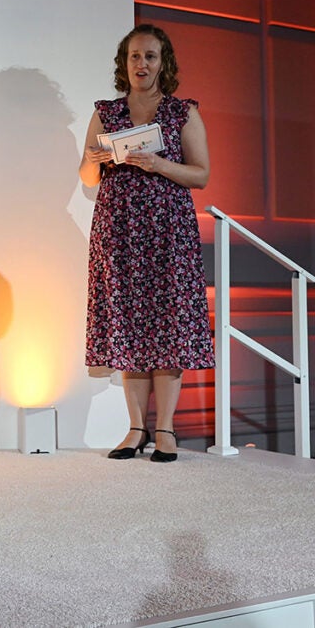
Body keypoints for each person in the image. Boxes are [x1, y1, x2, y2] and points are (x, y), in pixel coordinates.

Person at [79, 23, 214, 463]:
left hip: (168, 233)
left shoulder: (182, 112)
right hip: (118, 233)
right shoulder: (106, 113)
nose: (142, 64)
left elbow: (201, 174)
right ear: (125, 63)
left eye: (150, 56)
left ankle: (166, 430)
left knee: (168, 325)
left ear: (163, 63)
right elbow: (85, 177)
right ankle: (135, 429)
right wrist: (94, 160)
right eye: (135, 56)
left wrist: (158, 165)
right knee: (131, 326)